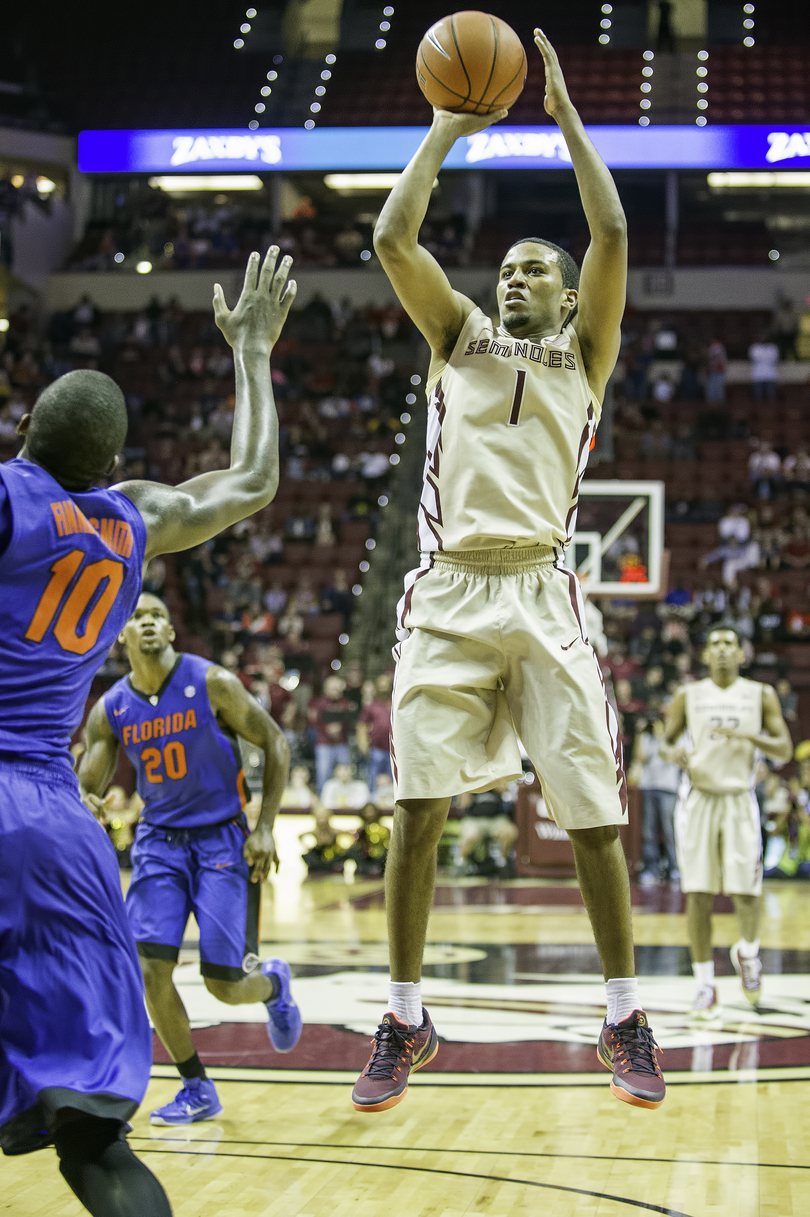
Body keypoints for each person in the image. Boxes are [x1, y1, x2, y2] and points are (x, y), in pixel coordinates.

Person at [351, 30, 665, 1117]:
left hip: (542, 584)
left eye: (537, 267)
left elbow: (612, 226)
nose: (515, 275)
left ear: (571, 296)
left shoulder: (586, 353)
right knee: (418, 807)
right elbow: (394, 235)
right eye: (506, 268)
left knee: (592, 812)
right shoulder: (458, 338)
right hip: (446, 589)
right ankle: (403, 1015)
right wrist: (448, 125)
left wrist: (571, 123)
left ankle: (624, 1011)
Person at [0, 246, 295, 1213]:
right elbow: (251, 479)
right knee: (94, 1136)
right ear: (114, 464)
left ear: (23, 435)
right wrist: (251, 351)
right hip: (59, 826)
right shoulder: (134, 523)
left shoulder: (10, 496)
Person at [79, 594, 299, 1126]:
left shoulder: (212, 683)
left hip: (222, 839)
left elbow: (275, 742)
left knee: (225, 985)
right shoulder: (111, 709)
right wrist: (79, 800)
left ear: (172, 631)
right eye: (136, 617)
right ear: (120, 638)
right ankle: (196, 1086)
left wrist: (266, 826)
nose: (147, 622)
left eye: (156, 614)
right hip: (158, 843)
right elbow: (87, 786)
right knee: (149, 970)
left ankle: (271, 983)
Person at [661, 628, 792, 1019]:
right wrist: (675, 754)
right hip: (698, 799)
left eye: (728, 644)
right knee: (698, 893)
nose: (721, 650)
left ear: (741, 653)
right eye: (714, 643)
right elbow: (666, 744)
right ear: (704, 654)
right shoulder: (689, 695)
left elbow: (784, 748)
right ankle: (704, 985)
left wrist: (748, 734)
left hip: (739, 799)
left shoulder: (760, 695)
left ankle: (748, 952)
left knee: (746, 892)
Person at [631, 718, 681, 886]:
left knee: (669, 830)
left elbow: (669, 757)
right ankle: (651, 868)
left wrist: (662, 736)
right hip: (649, 787)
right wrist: (640, 733)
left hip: (667, 788)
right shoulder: (647, 738)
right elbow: (640, 758)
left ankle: (674, 868)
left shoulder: (675, 739)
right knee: (648, 831)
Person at [308, 674, 354, 792]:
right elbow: (315, 720)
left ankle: (345, 799)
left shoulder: (345, 703)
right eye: (332, 688)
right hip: (324, 744)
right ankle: (323, 800)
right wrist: (327, 728)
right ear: (326, 688)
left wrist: (340, 726)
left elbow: (350, 718)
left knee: (345, 772)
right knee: (323, 773)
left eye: (337, 688)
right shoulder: (319, 703)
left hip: (342, 743)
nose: (335, 690)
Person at [357, 672, 393, 790]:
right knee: (373, 778)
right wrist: (363, 743)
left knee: (392, 780)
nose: (384, 688)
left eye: (386, 685)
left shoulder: (395, 703)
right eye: (381, 685)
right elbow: (362, 725)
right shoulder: (371, 706)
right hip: (376, 748)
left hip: (394, 749)